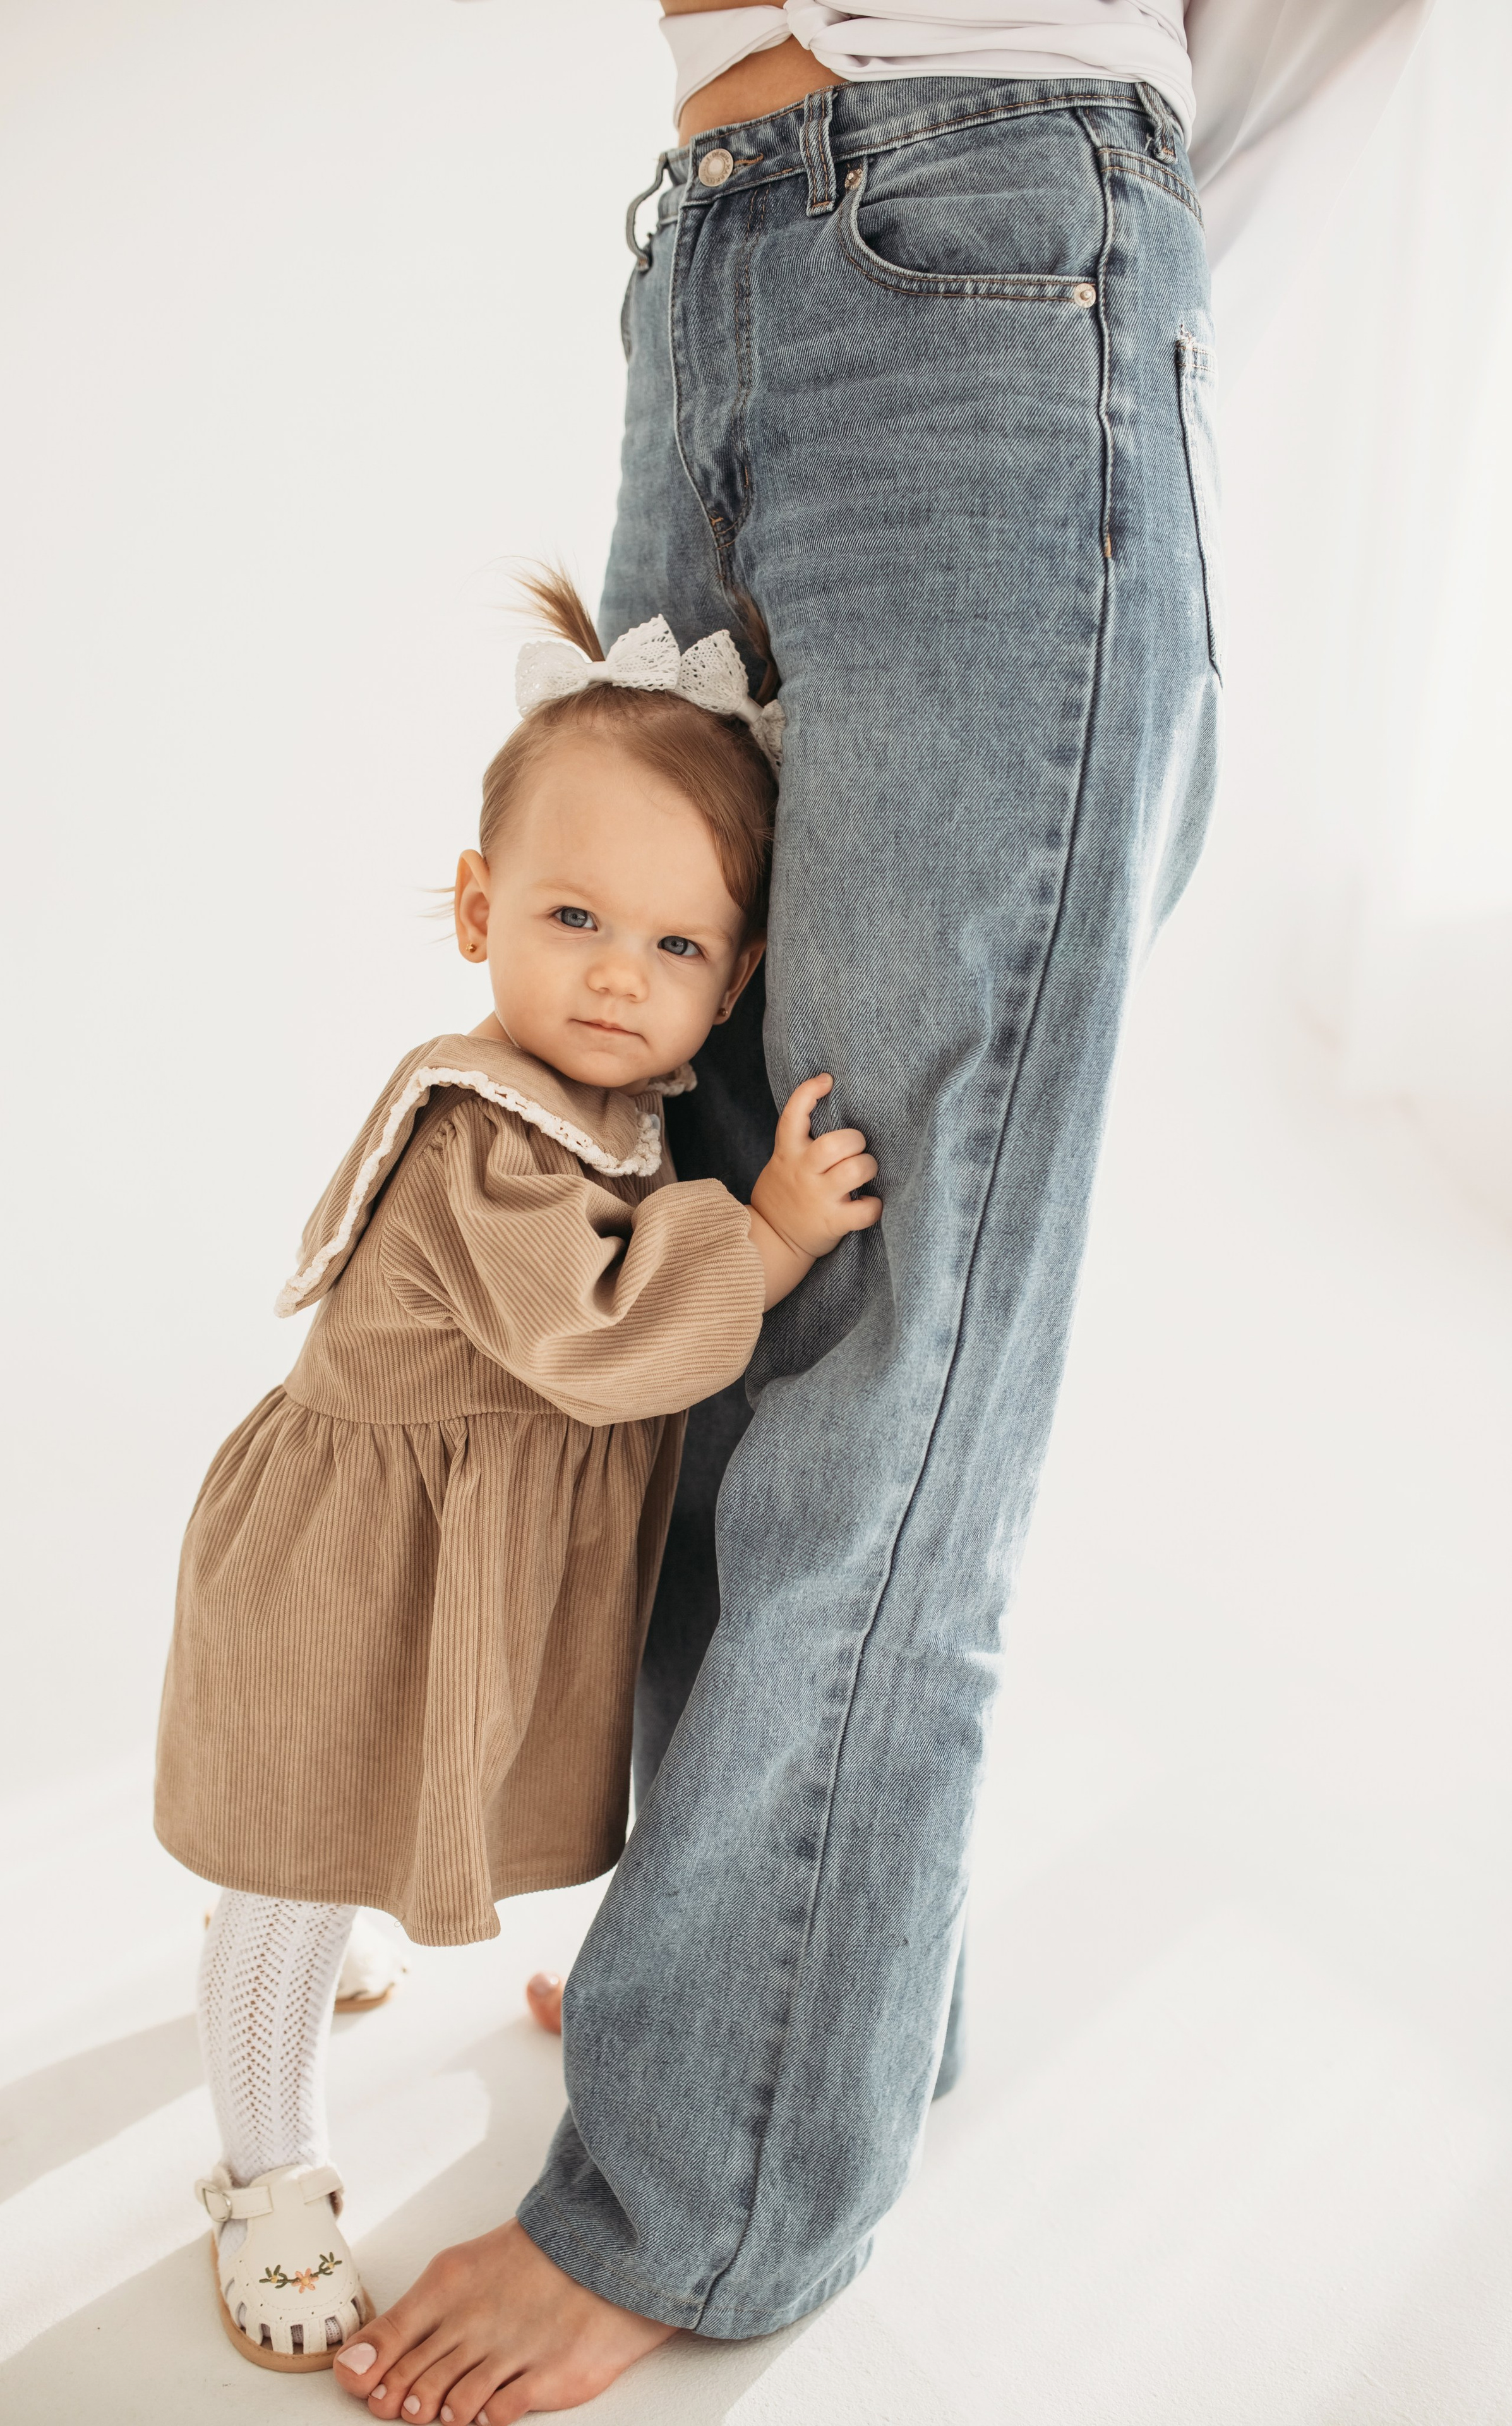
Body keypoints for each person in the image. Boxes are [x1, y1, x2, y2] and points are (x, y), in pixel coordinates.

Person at [327, 5, 1225, 2423]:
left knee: (885, 1359)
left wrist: (1129, 268)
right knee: (699, 1235)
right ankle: (790, 1983)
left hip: (1003, 281)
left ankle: (718, 2182)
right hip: (735, 269)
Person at [153, 570, 880, 2371]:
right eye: (572, 917)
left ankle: (311, 1976)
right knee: (295, 1862)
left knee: (364, 1819)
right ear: (481, 909)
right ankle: (264, 2165)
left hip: (436, 1561)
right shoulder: (488, 1130)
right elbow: (600, 1339)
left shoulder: (610, 1108)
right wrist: (769, 1241)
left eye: (678, 946)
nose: (620, 977)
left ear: (738, 972)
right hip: (353, 1563)